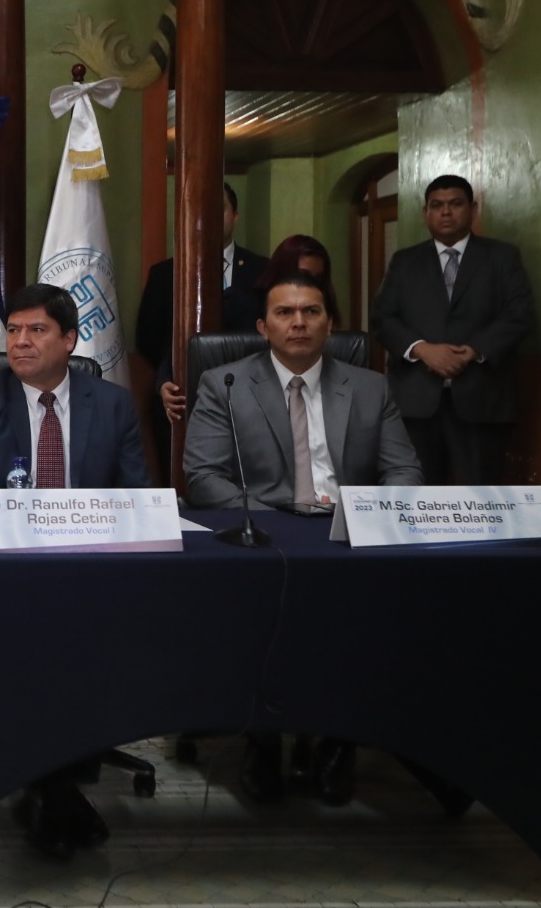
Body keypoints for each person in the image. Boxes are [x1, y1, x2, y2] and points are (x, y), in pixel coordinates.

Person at [0, 283, 147, 859]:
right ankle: (57, 788)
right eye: (14, 330)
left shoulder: (113, 403)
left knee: (83, 644)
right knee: (40, 645)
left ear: (70, 340)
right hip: (9, 571)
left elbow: (136, 492)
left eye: (37, 330)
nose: (20, 342)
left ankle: (49, 784)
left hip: (90, 568)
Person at [183, 270, 421, 806]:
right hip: (264, 535)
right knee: (264, 607)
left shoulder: (368, 386)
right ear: (263, 326)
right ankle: (263, 740)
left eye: (311, 311)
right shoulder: (224, 382)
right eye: (286, 313)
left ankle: (339, 742)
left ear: (330, 324)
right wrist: (271, 522)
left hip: (347, 537)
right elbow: (204, 476)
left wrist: (369, 515)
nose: (299, 323)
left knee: (369, 612)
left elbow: (404, 472)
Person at [371, 174, 535, 485]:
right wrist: (422, 349)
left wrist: (473, 350)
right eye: (437, 205)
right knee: (415, 492)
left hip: (481, 400)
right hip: (416, 401)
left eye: (455, 204)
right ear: (426, 213)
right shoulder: (405, 261)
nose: (446, 212)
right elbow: (382, 317)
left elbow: (519, 314)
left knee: (481, 495)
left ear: (472, 209)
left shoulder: (501, 257)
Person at [135, 184, 269, 479]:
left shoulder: (263, 270)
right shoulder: (164, 273)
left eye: (219, 209)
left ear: (235, 215)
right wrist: (164, 380)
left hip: (250, 398)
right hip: (179, 398)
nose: (209, 218)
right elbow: (148, 337)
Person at [161, 233, 334, 424]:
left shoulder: (322, 310)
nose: (299, 322)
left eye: (318, 279)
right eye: (303, 276)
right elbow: (192, 349)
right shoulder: (239, 301)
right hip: (242, 405)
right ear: (263, 327)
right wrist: (164, 381)